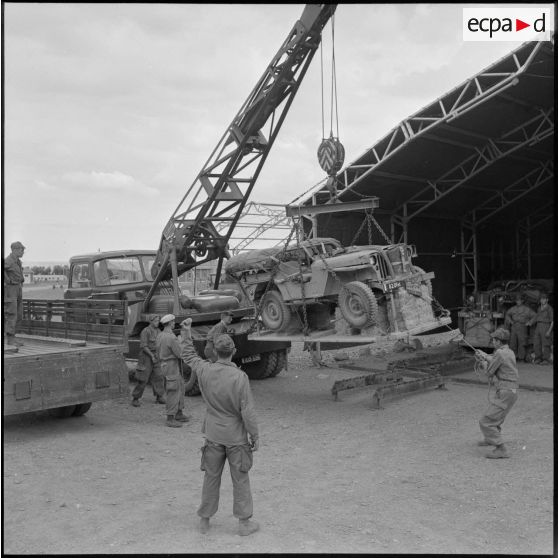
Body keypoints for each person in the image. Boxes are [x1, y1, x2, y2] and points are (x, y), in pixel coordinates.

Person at [180, 318, 260, 537]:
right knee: (240, 479)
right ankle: (244, 523)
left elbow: (188, 355)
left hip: (213, 435)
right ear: (233, 351)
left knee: (211, 477)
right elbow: (247, 412)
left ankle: (204, 519)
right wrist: (255, 436)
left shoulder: (205, 370)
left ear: (214, 351)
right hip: (236, 438)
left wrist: (186, 333)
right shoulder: (240, 377)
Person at [475, 327, 518, 459]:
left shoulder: (499, 353)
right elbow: (495, 358)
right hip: (510, 391)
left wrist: (482, 363)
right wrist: (484, 355)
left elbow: (489, 373)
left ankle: (501, 448)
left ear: (498, 341)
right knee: (495, 418)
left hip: (505, 391)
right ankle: (490, 438)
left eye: (494, 340)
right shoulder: (508, 351)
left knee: (486, 421)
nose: (492, 342)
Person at [156, 314, 189, 428]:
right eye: (173, 322)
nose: (174, 323)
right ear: (170, 323)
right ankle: (170, 417)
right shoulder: (171, 337)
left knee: (179, 387)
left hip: (166, 365)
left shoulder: (160, 335)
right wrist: (181, 340)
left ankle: (178, 413)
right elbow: (180, 353)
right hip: (172, 365)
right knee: (173, 390)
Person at [131, 315, 165, 407]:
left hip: (156, 355)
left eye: (158, 321)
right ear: (151, 321)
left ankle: (159, 396)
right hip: (146, 356)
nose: (157, 322)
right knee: (143, 378)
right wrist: (152, 356)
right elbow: (144, 346)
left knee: (159, 376)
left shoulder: (158, 331)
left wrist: (158, 355)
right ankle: (135, 398)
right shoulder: (145, 331)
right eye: (155, 321)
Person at [3, 241, 26, 346]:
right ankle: (10, 339)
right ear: (15, 250)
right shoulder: (8, 260)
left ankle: (13, 337)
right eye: (22, 249)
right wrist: (7, 280)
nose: (23, 252)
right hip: (10, 289)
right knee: (12, 314)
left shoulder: (18, 261)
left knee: (19, 314)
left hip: (18, 288)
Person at [504, 294, 535, 362]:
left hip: (522, 326)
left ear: (522, 301)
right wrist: (510, 321)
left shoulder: (527, 309)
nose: (518, 302)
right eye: (517, 300)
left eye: (519, 300)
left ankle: (521, 358)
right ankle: (513, 357)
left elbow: (535, 316)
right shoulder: (513, 309)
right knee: (513, 343)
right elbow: (507, 314)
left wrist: (530, 322)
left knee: (522, 343)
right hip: (514, 326)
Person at [527, 294, 553, 365]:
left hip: (546, 326)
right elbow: (536, 317)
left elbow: (552, 321)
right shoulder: (539, 308)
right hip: (538, 326)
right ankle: (538, 358)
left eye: (544, 299)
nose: (542, 300)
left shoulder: (549, 308)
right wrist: (530, 322)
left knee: (545, 344)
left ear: (547, 300)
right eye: (541, 299)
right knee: (536, 343)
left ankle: (546, 360)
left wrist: (549, 331)